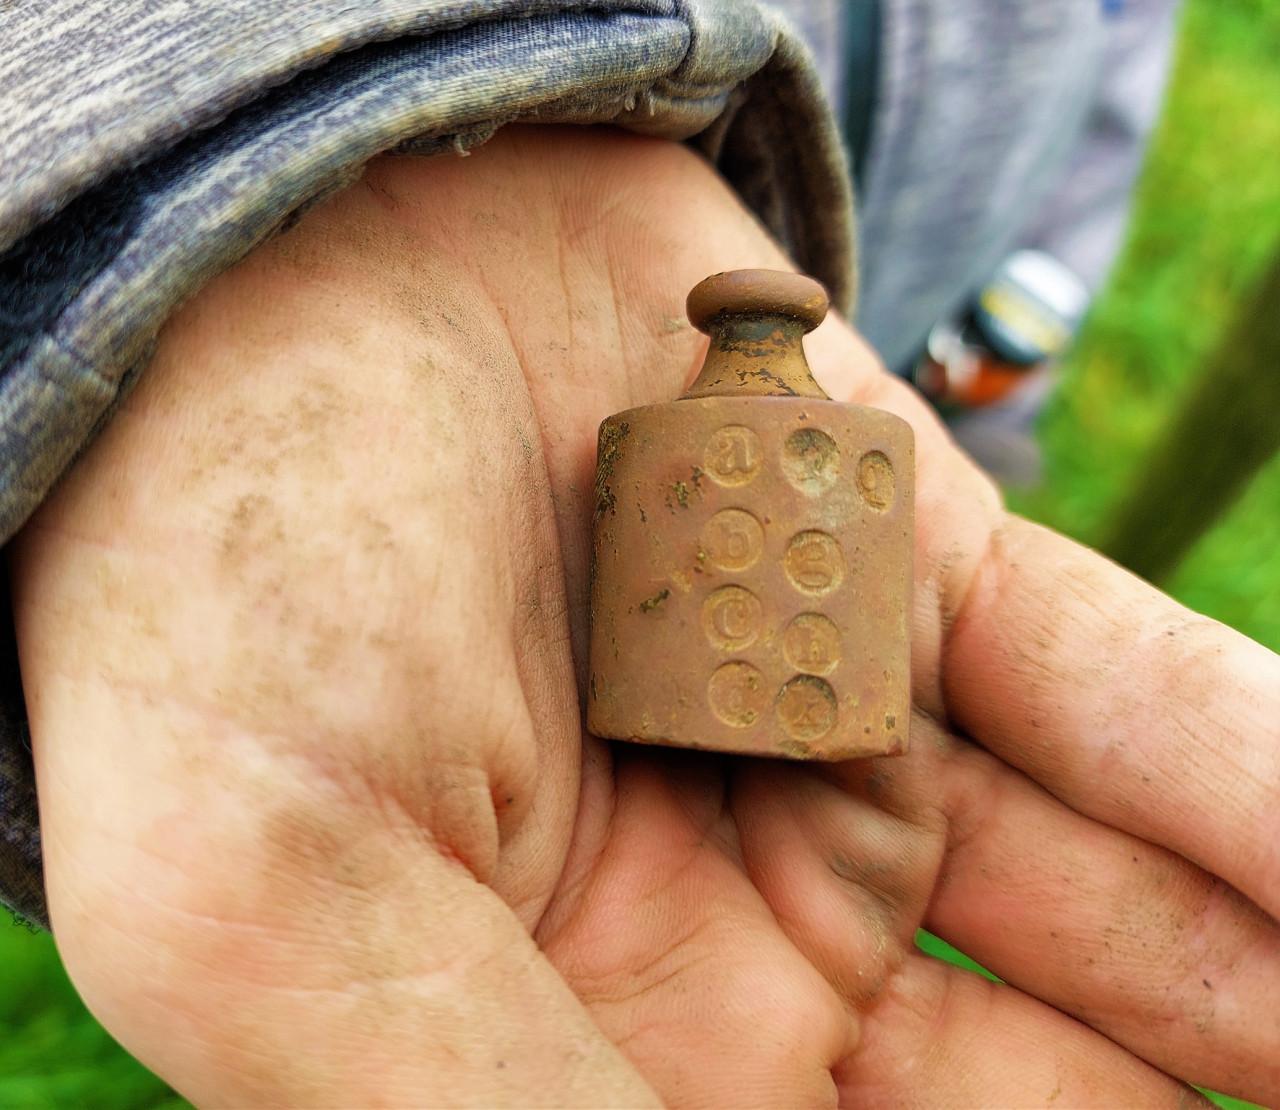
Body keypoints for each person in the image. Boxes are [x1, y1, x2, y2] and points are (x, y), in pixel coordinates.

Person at [1, 2, 1276, 1106]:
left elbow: (1105, 83)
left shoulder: (847, 443)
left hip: (878, 219)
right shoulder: (663, 445)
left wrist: (994, 375)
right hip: (534, 105)